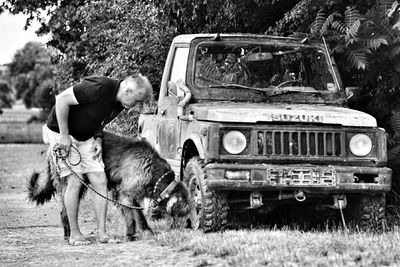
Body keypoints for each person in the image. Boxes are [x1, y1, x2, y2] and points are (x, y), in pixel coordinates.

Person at [42, 73, 153, 245]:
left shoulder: (119, 103)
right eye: (138, 101)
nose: (137, 106)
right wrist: (64, 136)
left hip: (85, 136)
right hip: (60, 131)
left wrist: (99, 138)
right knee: (75, 181)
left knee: (100, 180)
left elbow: (99, 121)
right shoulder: (99, 87)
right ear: (128, 91)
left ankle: (102, 234)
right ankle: (74, 234)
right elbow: (62, 100)